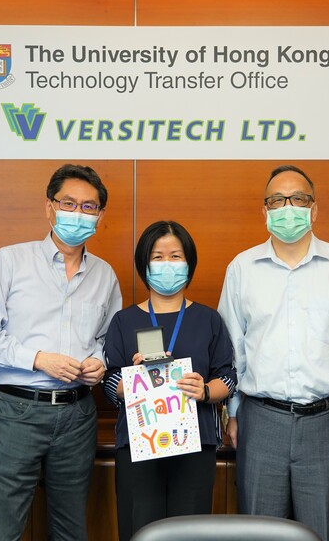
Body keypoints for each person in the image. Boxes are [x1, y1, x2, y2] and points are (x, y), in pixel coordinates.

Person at [217, 165, 329, 541]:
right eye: (277, 200)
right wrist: (234, 413)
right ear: (264, 210)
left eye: (298, 198)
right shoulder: (242, 268)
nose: (288, 207)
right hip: (261, 423)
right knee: (259, 535)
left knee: (323, 532)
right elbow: (231, 351)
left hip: (327, 424)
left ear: (314, 208)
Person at [0, 164, 123, 541]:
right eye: (68, 203)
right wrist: (38, 359)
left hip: (77, 414)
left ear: (100, 215)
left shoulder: (105, 275)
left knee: (71, 529)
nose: (78, 213)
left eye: (88, 207)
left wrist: (99, 363)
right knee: (1, 528)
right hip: (16, 410)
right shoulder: (9, 261)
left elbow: (109, 340)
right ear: (49, 207)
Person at [103, 220, 237, 541]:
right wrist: (136, 379)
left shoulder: (208, 319)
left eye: (175, 256)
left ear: (189, 263)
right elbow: (109, 382)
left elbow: (228, 377)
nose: (167, 264)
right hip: (139, 443)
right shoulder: (123, 320)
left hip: (196, 443)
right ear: (144, 264)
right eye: (158, 257)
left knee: (189, 532)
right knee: (140, 529)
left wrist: (204, 390)